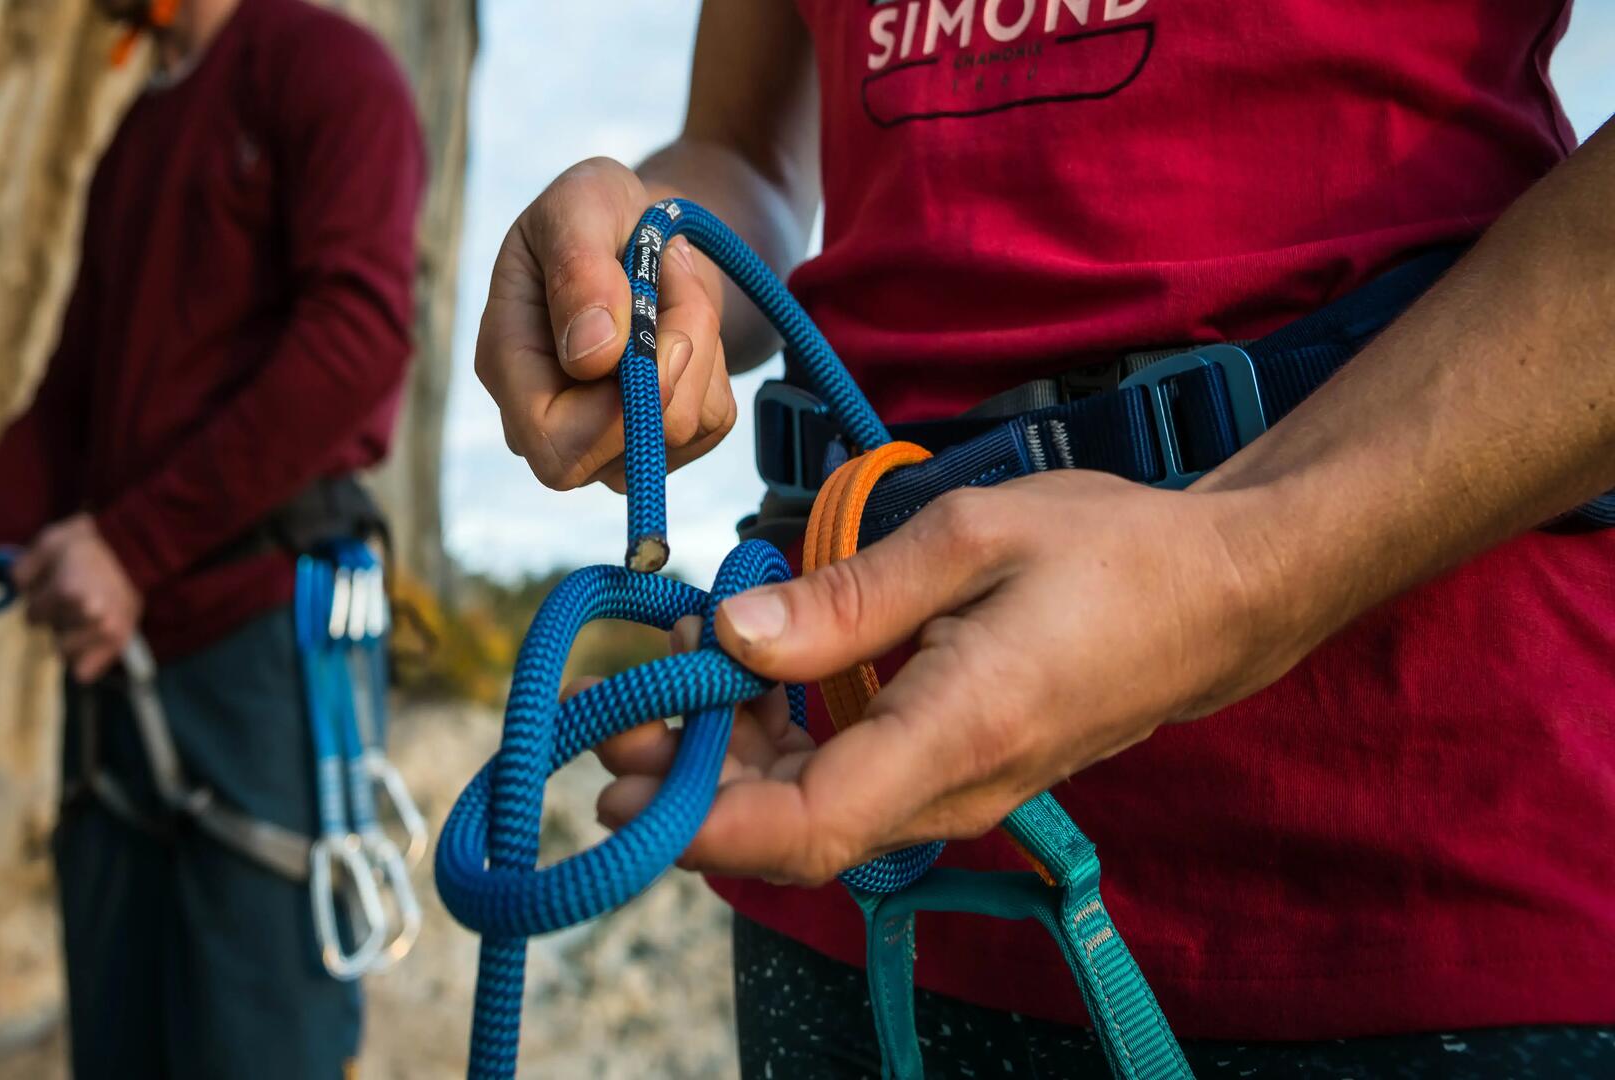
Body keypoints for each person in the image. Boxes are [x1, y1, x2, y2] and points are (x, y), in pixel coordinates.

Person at [476, 1, 1615, 1075]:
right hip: (848, 840)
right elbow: (746, 160)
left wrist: (1246, 562)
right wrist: (637, 242)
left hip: (1410, 850)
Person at [0, 0, 424, 1074]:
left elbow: (356, 339)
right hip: (123, 671)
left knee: (263, 1041)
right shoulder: (137, 139)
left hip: (267, 647)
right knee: (120, 1038)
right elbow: (75, 401)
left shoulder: (325, 70)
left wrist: (128, 545)